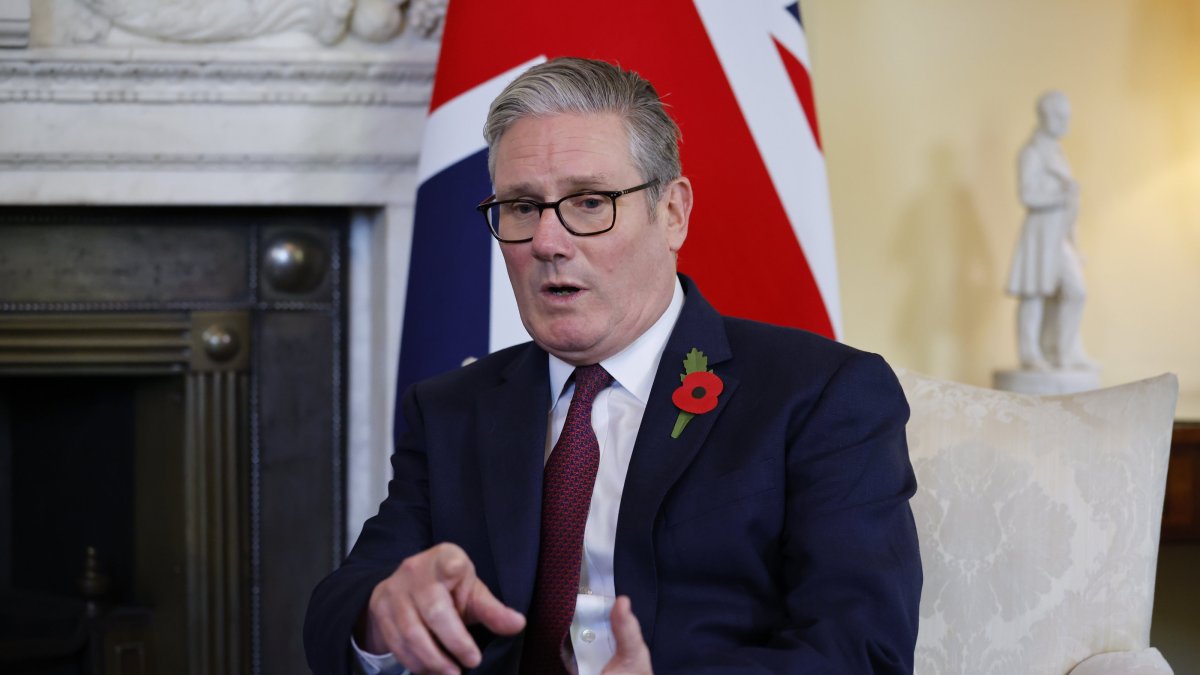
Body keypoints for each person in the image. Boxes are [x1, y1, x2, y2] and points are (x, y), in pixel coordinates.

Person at [304, 57, 921, 675]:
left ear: (672, 213)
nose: (547, 241)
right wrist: (383, 613)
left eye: (590, 201)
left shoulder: (819, 395)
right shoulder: (452, 408)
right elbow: (343, 606)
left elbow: (859, 650)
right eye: (521, 207)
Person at [1006, 91, 1094, 371]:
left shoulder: (1056, 151)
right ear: (1045, 117)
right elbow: (1027, 194)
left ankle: (1064, 351)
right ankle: (1029, 352)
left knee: (1076, 291)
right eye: (1060, 117)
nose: (1065, 123)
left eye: (1067, 117)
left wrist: (1076, 246)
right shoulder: (1031, 151)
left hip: (1060, 234)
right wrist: (1061, 194)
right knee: (1033, 293)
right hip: (1040, 234)